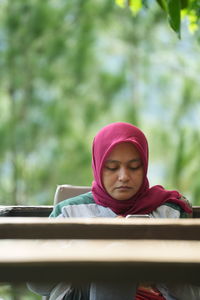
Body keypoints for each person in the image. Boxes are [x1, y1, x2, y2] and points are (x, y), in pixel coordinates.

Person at [28, 122, 200, 300]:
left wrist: (157, 266)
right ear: (98, 166)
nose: (124, 176)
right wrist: (93, 249)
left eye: (134, 167)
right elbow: (37, 283)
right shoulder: (68, 212)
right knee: (115, 260)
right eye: (112, 167)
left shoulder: (169, 212)